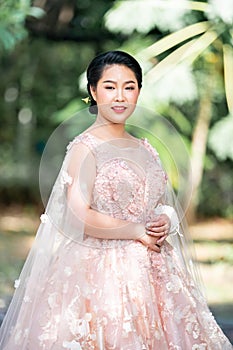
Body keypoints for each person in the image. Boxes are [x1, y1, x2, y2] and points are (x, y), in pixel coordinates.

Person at [0, 50, 232, 350]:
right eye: (110, 87)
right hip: (100, 272)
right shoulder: (85, 148)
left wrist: (166, 219)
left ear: (138, 91)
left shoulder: (146, 148)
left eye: (129, 87)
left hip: (157, 271)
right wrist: (136, 231)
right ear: (93, 92)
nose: (120, 96)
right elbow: (78, 215)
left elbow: (158, 202)